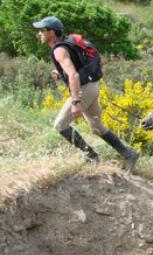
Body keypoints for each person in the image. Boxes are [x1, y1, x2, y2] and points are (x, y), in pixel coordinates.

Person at [32, 16, 139, 172]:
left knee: (60, 125)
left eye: (42, 30)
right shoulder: (67, 42)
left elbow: (74, 75)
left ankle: (92, 157)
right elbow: (78, 64)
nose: (39, 33)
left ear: (52, 33)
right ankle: (129, 154)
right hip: (92, 86)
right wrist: (60, 72)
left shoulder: (59, 50)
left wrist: (76, 102)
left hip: (84, 90)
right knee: (96, 126)